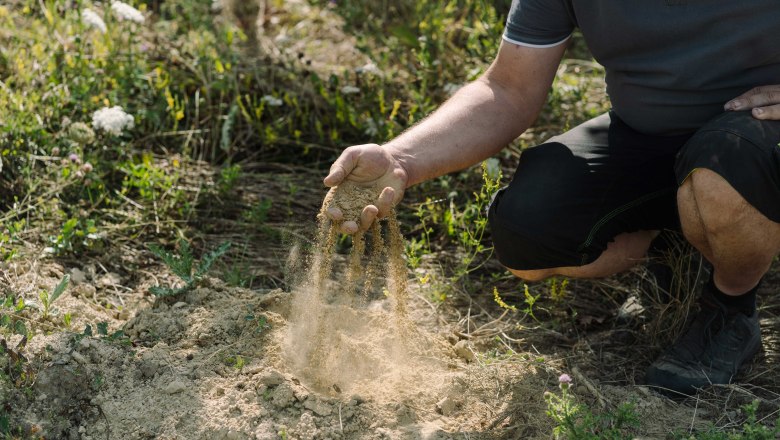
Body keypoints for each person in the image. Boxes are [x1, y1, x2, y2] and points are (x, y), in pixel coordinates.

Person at [322, 0, 780, 395]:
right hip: (645, 134)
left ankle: (730, 307)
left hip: (754, 134)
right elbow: (508, 88)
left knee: (725, 164)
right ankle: (681, 248)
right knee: (527, 235)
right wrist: (401, 159)